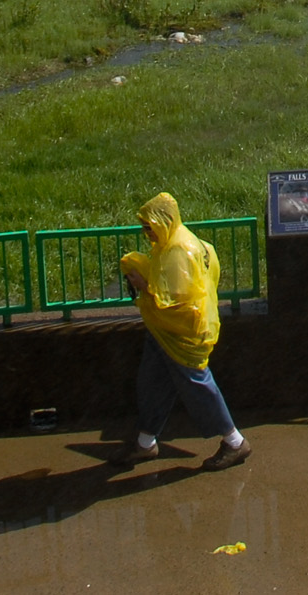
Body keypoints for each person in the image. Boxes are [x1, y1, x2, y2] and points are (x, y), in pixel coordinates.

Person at [121, 191, 248, 470]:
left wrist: (141, 284)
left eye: (149, 227)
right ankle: (145, 443)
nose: (147, 234)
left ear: (164, 222)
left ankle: (235, 442)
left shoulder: (178, 251)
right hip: (166, 331)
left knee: (197, 385)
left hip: (182, 333)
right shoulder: (181, 242)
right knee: (152, 383)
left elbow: (175, 301)